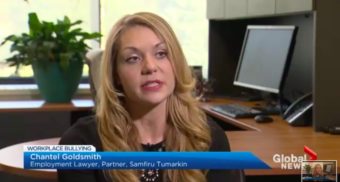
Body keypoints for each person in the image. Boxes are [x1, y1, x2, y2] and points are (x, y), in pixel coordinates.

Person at [58, 12, 243, 182]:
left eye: (161, 54)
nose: (150, 67)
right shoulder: (81, 143)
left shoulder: (207, 137)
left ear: (175, 64)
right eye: (133, 58)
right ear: (116, 75)